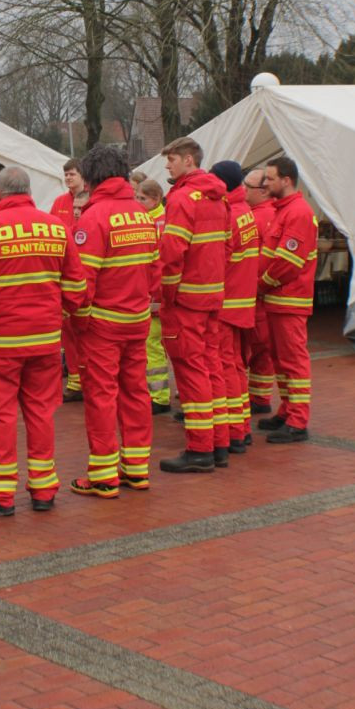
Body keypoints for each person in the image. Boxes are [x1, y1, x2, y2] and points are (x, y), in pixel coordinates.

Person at [0, 166, 87, 516]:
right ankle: (44, 492)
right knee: (42, 414)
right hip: (44, 342)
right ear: (29, 191)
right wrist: (58, 318)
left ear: (0, 194)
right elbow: (76, 289)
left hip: (0, 343)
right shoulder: (57, 228)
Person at [70, 144, 159, 497]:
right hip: (137, 320)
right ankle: (136, 470)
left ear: (92, 178)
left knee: (102, 397)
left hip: (102, 325)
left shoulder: (93, 217)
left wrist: (78, 321)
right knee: (136, 393)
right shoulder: (142, 215)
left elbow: (82, 281)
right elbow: (155, 270)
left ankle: (103, 475)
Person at [158, 138, 229, 473]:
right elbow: (226, 248)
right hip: (213, 294)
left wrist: (166, 296)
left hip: (186, 298)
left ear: (188, 160)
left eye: (171, 160)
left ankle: (200, 448)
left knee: (190, 371)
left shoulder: (183, 198)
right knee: (211, 366)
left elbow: (172, 254)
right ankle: (220, 442)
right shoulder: (218, 196)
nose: (167, 167)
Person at [257, 157, 318, 443]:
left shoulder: (298, 213)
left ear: (286, 180)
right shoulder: (283, 210)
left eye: (269, 178)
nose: (264, 184)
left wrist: (262, 284)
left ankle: (298, 420)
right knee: (280, 360)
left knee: (293, 361)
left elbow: (287, 262)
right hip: (278, 299)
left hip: (288, 298)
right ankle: (287, 411)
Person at [211, 161, 259, 455]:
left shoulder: (229, 214)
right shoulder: (245, 212)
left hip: (226, 303)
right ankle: (241, 426)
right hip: (242, 302)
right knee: (236, 366)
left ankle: (232, 431)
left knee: (225, 366)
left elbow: (220, 260)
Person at [50, 158, 87, 403]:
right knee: (68, 333)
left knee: (86, 333)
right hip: (64, 276)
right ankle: (74, 380)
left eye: (72, 174)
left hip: (86, 275)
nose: (68, 179)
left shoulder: (91, 201)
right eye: (65, 175)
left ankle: (87, 379)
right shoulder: (60, 202)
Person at [134, 178, 171, 415]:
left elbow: (158, 264)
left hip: (156, 295)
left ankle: (159, 396)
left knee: (153, 346)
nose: (138, 202)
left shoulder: (158, 223)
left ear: (155, 199)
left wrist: (153, 298)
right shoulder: (155, 219)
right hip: (156, 293)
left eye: (142, 199)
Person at [242, 170, 277, 416]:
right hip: (266, 296)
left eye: (248, 186)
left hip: (252, 295)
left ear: (262, 191)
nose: (243, 190)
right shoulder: (276, 214)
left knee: (250, 349)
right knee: (263, 351)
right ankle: (261, 396)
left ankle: (252, 397)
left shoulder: (254, 219)